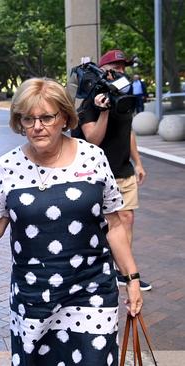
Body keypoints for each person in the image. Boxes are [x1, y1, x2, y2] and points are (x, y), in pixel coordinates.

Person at [0, 77, 143, 365]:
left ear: (64, 117)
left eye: (46, 117)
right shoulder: (8, 165)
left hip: (91, 290)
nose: (37, 126)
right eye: (28, 119)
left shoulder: (93, 158)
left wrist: (131, 279)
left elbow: (115, 225)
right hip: (33, 294)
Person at [71, 49, 151, 291]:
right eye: (116, 67)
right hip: (96, 174)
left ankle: (124, 271)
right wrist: (103, 111)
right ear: (105, 70)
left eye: (124, 66)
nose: (121, 71)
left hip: (123, 170)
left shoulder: (124, 99)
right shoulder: (90, 102)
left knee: (126, 218)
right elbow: (92, 140)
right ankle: (99, 268)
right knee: (99, 225)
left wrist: (138, 162)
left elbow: (129, 132)